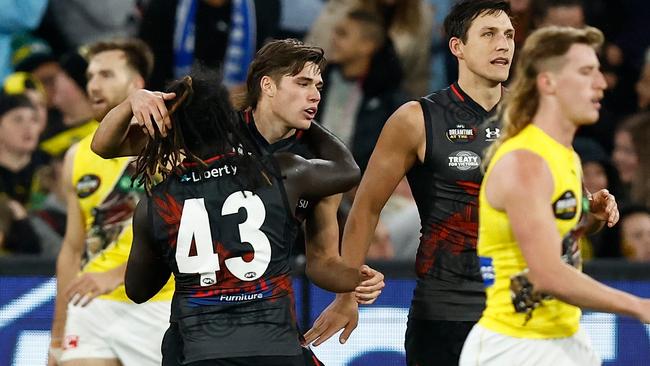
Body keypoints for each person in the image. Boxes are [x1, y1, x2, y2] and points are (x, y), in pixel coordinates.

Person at [90, 38, 385, 364]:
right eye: (302, 84)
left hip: (247, 327)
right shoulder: (213, 130)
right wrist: (134, 101)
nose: (315, 94)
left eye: (317, 85)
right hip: (213, 327)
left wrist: (352, 287)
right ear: (268, 86)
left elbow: (323, 262)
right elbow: (105, 147)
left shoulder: (312, 164)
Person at [305, 1, 514, 365]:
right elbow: (367, 207)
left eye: (509, 35)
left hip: (516, 315)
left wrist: (591, 209)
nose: (503, 45)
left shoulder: (531, 117)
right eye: (489, 34)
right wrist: (346, 295)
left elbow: (556, 206)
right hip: (444, 315)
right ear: (457, 47)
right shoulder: (416, 119)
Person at [459, 25, 650, 366]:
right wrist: (638, 305)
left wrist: (589, 214)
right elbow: (547, 273)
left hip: (564, 336)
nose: (601, 83)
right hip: (516, 348)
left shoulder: (564, 155)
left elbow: (561, 235)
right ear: (548, 83)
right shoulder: (525, 162)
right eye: (586, 72)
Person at [48, 38, 174, 366]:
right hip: (91, 306)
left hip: (156, 303)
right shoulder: (77, 155)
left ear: (136, 85)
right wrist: (58, 335)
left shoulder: (169, 148)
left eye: (106, 75)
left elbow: (183, 235)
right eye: (90, 76)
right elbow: (73, 249)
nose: (93, 85)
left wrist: (117, 275)